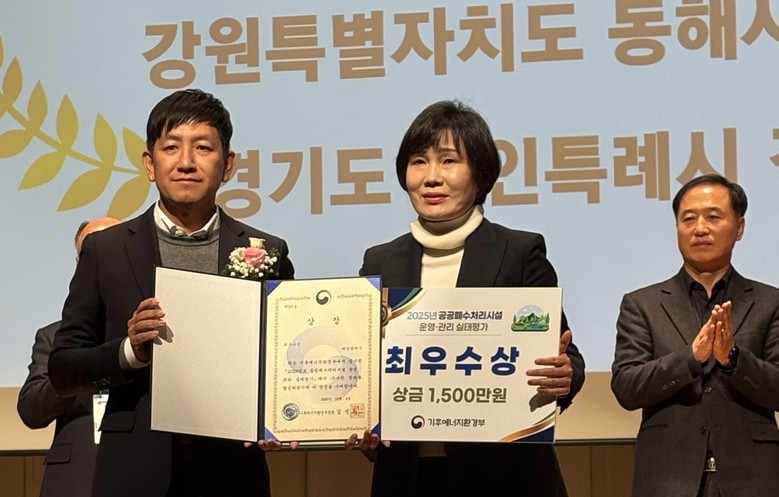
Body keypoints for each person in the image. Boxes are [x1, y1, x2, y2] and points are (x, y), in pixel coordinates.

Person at [48, 89, 294, 497]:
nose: (186, 162)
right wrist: (129, 351)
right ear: (150, 164)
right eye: (171, 147)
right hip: (133, 469)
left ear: (228, 165)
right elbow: (62, 368)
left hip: (233, 471)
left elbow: (283, 360)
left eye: (203, 147)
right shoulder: (106, 250)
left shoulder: (266, 251)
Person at [350, 100, 585, 497]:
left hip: (504, 476)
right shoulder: (380, 261)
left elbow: (566, 356)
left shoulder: (518, 252)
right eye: (419, 162)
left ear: (480, 174)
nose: (431, 177)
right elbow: (363, 361)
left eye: (448, 161)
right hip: (409, 475)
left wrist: (565, 375)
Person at [611, 174, 779, 497]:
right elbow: (626, 388)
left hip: (753, 480)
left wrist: (734, 360)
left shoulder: (770, 302)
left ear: (739, 227)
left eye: (713, 217)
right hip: (667, 479)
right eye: (688, 219)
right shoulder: (642, 305)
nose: (700, 228)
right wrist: (690, 359)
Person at [18, 217, 119, 497]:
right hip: (75, 480)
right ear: (79, 265)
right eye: (91, 254)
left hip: (143, 471)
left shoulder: (152, 330)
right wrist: (70, 372)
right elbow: (31, 412)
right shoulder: (53, 336)